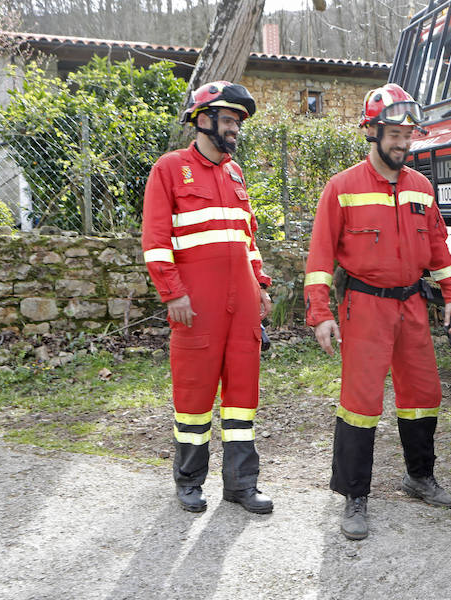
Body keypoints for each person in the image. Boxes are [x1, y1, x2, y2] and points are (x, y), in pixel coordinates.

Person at [304, 83, 451, 541]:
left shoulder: (421, 187)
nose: (401, 141)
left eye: (407, 133)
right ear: (371, 132)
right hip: (364, 306)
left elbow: (437, 247)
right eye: (393, 132)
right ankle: (355, 496)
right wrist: (321, 313)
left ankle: (419, 477)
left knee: (423, 392)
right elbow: (319, 259)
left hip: (412, 303)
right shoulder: (342, 187)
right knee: (361, 401)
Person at [142, 81, 274, 515]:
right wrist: (172, 293)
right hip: (195, 305)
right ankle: (189, 481)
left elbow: (247, 237)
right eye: (229, 119)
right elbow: (156, 241)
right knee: (195, 396)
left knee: (242, 393)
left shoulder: (235, 173)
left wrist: (261, 285)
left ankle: (240, 485)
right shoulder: (170, 168)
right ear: (203, 120)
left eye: (238, 121)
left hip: (243, 304)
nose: (235, 128)